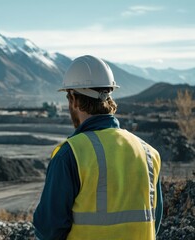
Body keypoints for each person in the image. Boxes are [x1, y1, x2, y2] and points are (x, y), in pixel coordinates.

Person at [33, 55, 162, 240]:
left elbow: (49, 229)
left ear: (74, 99)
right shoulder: (149, 153)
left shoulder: (70, 154)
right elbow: (153, 221)